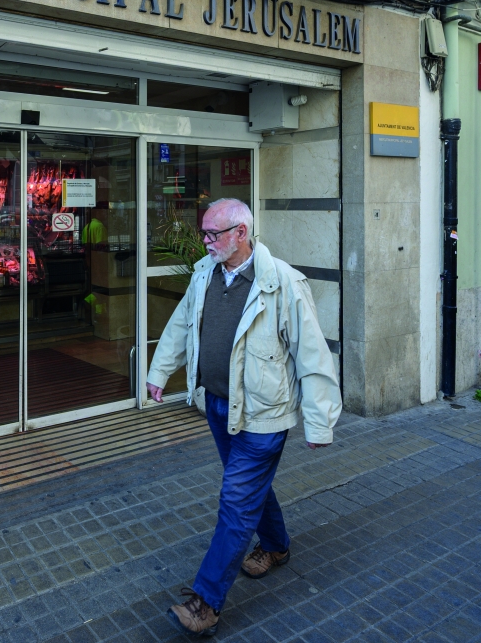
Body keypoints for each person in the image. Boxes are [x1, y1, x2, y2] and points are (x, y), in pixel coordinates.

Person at [145, 198, 341, 637]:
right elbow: (180, 326)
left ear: (241, 234)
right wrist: (160, 372)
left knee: (235, 503)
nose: (206, 241)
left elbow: (312, 354)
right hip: (217, 405)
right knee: (252, 489)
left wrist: (320, 419)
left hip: (264, 416)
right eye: (204, 233)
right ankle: (275, 546)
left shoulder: (283, 283)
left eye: (214, 234)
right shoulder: (204, 273)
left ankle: (205, 602)